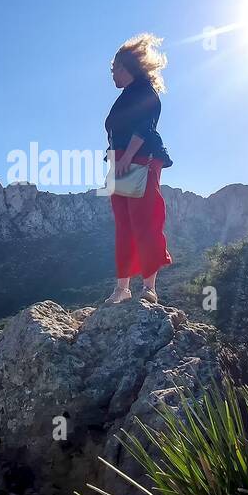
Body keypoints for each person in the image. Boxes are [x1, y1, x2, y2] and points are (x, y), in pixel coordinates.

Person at [104, 33, 173, 304]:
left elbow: (145, 126)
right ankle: (122, 288)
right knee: (124, 224)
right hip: (121, 161)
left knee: (144, 219)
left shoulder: (146, 92)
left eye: (114, 69)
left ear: (126, 67)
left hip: (140, 158)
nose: (112, 76)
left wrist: (127, 157)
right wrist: (115, 160)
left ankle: (149, 287)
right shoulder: (125, 97)